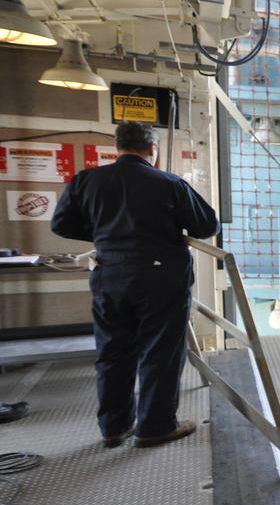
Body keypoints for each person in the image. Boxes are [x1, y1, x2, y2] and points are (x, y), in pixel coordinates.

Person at [52, 122, 219, 449]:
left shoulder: (86, 180)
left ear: (118, 147)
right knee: (160, 350)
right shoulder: (169, 183)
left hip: (109, 272)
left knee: (113, 351)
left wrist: (106, 234)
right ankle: (155, 427)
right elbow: (206, 224)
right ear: (152, 150)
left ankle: (114, 427)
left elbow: (61, 224)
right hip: (160, 276)